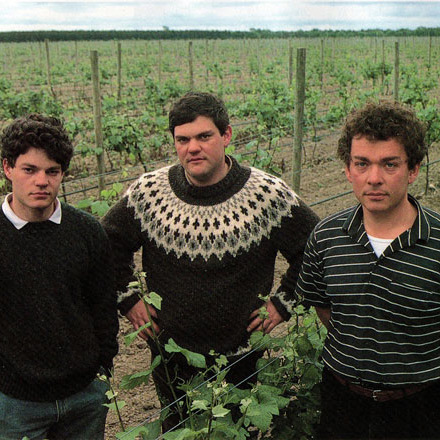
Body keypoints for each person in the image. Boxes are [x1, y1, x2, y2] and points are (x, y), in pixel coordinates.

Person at [102, 91, 319, 432]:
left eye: (204, 136)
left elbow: (315, 248)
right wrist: (128, 301)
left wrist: (283, 303)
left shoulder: (266, 196)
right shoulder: (148, 194)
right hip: (171, 356)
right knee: (177, 430)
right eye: (182, 140)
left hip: (243, 357)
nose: (193, 148)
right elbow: (106, 245)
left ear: (226, 135)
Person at [295, 101, 440, 439]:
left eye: (390, 164)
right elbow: (326, 308)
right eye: (362, 164)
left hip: (423, 408)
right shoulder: (326, 236)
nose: (374, 178)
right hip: (344, 406)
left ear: (413, 169)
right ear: (348, 169)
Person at [0, 114, 119, 440]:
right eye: (30, 170)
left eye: (52, 172)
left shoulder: (87, 232)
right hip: (14, 403)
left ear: (63, 174)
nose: (42, 181)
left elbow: (103, 306)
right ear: (8, 168)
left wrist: (101, 372)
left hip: (84, 396)